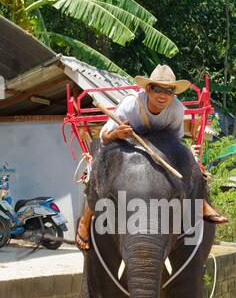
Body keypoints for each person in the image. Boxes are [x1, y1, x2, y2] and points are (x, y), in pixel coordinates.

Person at [76, 65, 227, 250]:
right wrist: (117, 133)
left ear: (174, 93)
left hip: (159, 149)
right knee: (99, 174)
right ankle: (85, 220)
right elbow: (104, 137)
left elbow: (175, 141)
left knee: (190, 162)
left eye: (169, 91)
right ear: (148, 89)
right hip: (126, 146)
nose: (163, 95)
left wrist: (173, 155)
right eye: (157, 89)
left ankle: (200, 202)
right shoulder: (131, 104)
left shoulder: (176, 109)